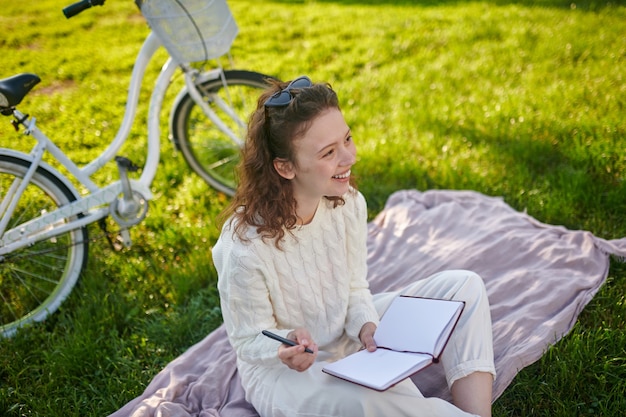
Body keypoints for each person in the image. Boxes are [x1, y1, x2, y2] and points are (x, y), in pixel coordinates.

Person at [212, 76, 496, 417]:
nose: (349, 156)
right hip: (286, 376)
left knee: (465, 287)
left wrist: (366, 324)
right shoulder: (243, 247)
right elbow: (246, 338)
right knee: (365, 401)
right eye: (329, 152)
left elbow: (354, 286)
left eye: (346, 139)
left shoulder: (347, 204)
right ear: (285, 167)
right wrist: (285, 344)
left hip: (346, 340)